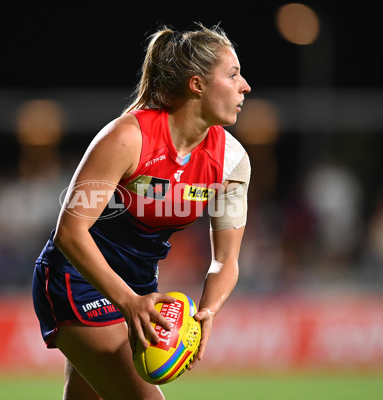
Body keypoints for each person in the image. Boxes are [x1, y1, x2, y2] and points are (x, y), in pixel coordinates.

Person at [32, 23, 251, 399]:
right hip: (77, 280)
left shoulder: (231, 162)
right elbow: (69, 232)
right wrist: (128, 302)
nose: (245, 86)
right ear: (197, 85)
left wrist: (207, 311)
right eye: (232, 75)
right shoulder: (127, 138)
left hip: (139, 291)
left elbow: (225, 260)